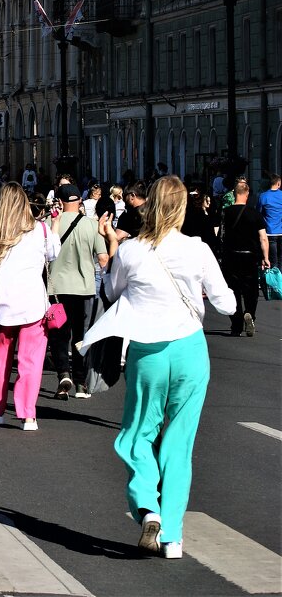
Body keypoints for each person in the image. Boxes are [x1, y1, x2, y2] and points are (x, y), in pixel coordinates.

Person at [81, 176, 235, 560]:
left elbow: (113, 292)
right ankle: (173, 537)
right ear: (182, 207)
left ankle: (147, 506)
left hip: (148, 352)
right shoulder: (197, 249)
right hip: (190, 349)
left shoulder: (132, 250)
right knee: (179, 444)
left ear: (148, 205)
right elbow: (227, 304)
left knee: (137, 435)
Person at [0, 183, 61, 432]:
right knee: (30, 361)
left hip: (4, 303)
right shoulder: (40, 230)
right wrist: (55, 224)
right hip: (33, 304)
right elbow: (54, 253)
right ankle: (28, 415)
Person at [47, 185, 109, 398]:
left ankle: (63, 373)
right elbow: (103, 259)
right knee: (81, 336)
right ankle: (81, 383)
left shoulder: (49, 224)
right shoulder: (91, 225)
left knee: (58, 334)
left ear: (60, 202)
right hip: (84, 289)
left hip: (55, 289)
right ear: (79, 202)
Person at [219, 180, 269, 337]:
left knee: (232, 290)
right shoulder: (255, 214)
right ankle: (250, 314)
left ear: (234, 194)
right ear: (247, 194)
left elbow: (220, 234)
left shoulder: (226, 213)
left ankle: (236, 324)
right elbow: (263, 238)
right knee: (251, 290)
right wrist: (265, 257)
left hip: (231, 256)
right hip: (249, 256)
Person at [255, 173, 282, 278]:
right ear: (278, 183)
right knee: (280, 259)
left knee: (273, 260)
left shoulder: (263, 196)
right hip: (281, 231)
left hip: (270, 232)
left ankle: (275, 283)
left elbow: (259, 213)